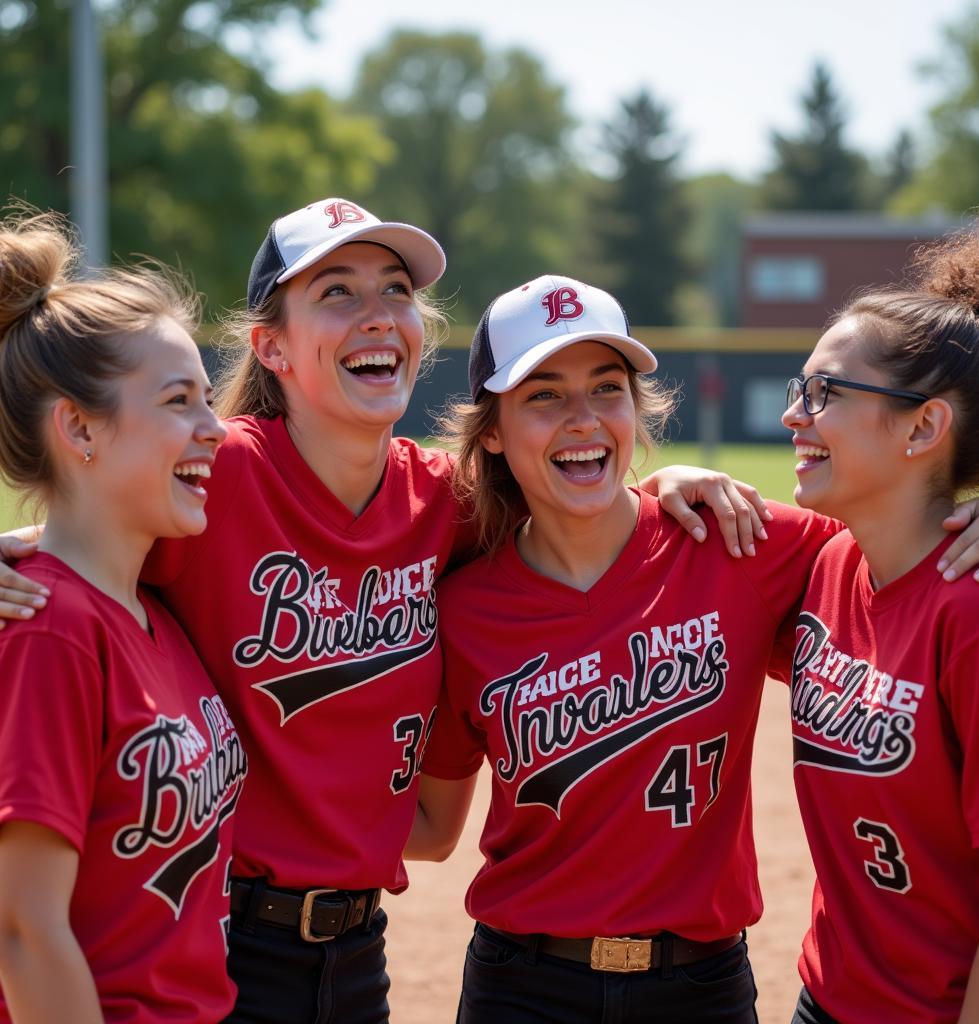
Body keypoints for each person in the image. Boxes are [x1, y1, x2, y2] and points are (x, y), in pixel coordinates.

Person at [0, 198, 783, 1024]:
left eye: (398, 290)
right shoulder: (210, 471)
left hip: (357, 948)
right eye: (337, 291)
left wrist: (665, 487)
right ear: (271, 347)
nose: (379, 315)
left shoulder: (450, 506)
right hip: (222, 933)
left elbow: (574, 491)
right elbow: (85, 529)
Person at [406, 274, 979, 1024]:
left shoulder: (742, 544)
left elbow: (913, 551)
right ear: (493, 429)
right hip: (523, 982)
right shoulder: (466, 608)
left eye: (607, 388)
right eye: (542, 394)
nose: (582, 418)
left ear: (637, 407)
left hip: (700, 984)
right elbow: (431, 825)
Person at [0, 209, 245, 1023]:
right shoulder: (47, 628)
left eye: (209, 399)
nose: (215, 428)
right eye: (180, 401)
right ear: (78, 427)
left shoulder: (152, 614)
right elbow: (21, 932)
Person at [782, 222, 979, 1024]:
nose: (793, 415)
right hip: (825, 999)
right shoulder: (829, 566)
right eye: (798, 386)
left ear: (923, 429)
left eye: (824, 393)